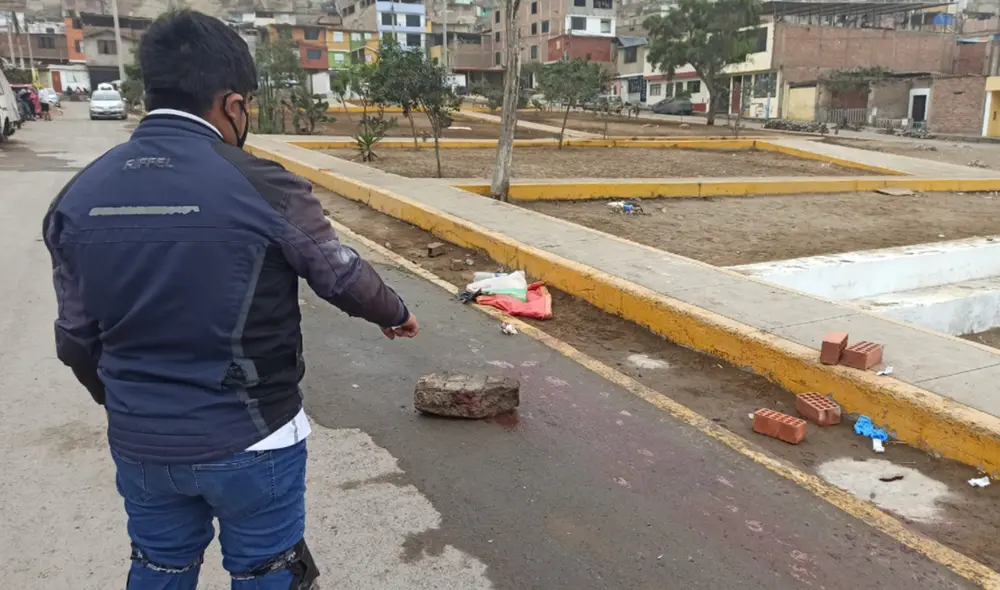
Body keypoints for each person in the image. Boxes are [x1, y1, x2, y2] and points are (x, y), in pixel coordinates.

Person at [42, 9, 418, 589]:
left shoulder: (78, 194)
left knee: (158, 564)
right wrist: (395, 312)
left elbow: (75, 339)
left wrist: (127, 403)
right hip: (253, 434)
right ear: (233, 105)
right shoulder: (261, 183)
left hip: (141, 442)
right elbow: (339, 274)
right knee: (269, 567)